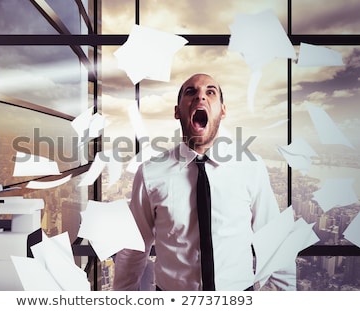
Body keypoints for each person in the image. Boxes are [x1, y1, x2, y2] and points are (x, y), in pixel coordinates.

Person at [113, 73, 296, 291]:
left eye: (211, 92)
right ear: (177, 111)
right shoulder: (150, 174)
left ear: (223, 110)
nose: (201, 97)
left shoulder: (251, 167)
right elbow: (133, 248)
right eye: (191, 92)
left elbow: (274, 241)